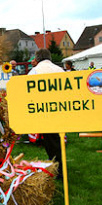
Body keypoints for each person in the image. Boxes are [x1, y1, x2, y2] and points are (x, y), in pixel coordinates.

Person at [28, 48, 64, 180]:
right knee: (58, 140)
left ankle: (58, 169)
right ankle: (59, 167)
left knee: (51, 142)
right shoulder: (60, 70)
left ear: (37, 59)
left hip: (43, 111)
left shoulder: (34, 72)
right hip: (59, 109)